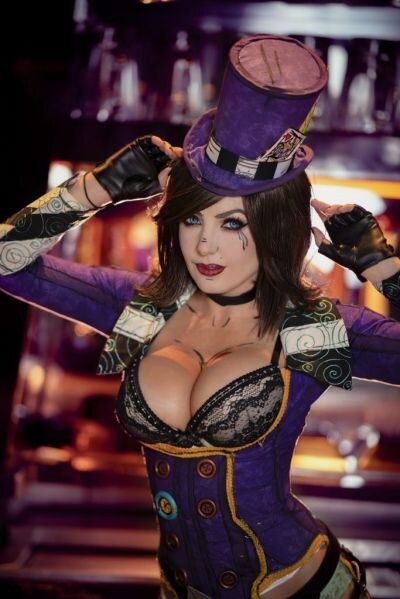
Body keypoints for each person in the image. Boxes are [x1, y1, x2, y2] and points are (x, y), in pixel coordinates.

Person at [1, 34, 399, 599]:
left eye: (232, 224)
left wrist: (385, 270)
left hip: (301, 587)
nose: (205, 245)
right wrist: (94, 189)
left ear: (276, 227)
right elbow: (5, 263)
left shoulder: (315, 328)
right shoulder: (140, 305)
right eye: (192, 219)